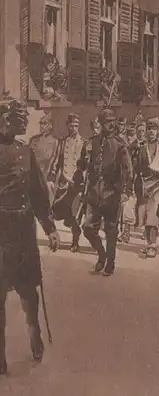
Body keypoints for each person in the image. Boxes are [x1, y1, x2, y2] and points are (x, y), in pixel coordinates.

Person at [0, 99, 60, 375]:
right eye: (12, 120)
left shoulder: (26, 152)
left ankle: (34, 335)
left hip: (23, 232)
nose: (15, 126)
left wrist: (50, 227)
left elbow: (37, 193)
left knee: (28, 292)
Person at [79, 108, 133, 276]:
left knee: (111, 230)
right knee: (87, 228)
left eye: (113, 121)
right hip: (94, 193)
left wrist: (126, 191)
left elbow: (128, 170)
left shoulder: (120, 144)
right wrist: (85, 158)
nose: (112, 124)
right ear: (101, 123)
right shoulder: (91, 142)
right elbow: (81, 165)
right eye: (108, 121)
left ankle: (110, 262)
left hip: (112, 193)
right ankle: (101, 254)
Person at [50, 114, 85, 252]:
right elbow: (57, 162)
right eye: (71, 125)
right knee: (56, 211)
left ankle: (75, 241)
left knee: (75, 214)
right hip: (64, 183)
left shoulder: (84, 142)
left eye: (76, 125)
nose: (74, 128)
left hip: (77, 184)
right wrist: (53, 178)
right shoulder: (62, 142)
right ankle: (54, 239)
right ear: (67, 126)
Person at [133, 118, 159, 258]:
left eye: (154, 129)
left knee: (153, 213)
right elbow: (136, 167)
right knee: (145, 214)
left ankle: (152, 245)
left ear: (158, 131)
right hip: (144, 185)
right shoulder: (140, 148)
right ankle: (148, 243)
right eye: (149, 129)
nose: (151, 132)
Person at [29, 113, 59, 204]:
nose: (41, 126)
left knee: (46, 201)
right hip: (33, 175)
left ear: (50, 125)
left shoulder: (55, 141)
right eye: (40, 123)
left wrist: (51, 175)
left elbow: (55, 159)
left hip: (46, 175)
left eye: (44, 123)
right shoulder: (34, 140)